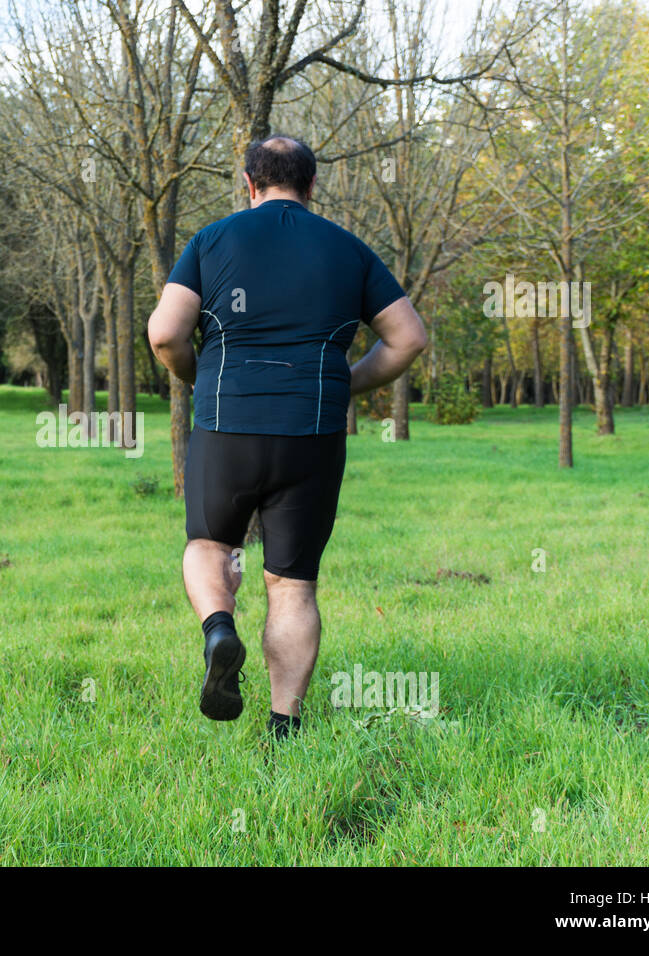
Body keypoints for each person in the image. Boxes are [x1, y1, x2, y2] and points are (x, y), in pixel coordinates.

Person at [146, 135, 428, 739]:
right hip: (313, 432)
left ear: (249, 183)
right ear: (312, 185)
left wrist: (200, 377)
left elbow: (165, 334)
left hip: (228, 426)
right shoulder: (348, 250)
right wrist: (344, 384)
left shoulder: (212, 240)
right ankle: (284, 726)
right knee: (292, 582)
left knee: (210, 547)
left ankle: (219, 627)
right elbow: (408, 338)